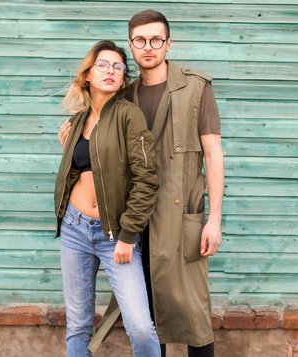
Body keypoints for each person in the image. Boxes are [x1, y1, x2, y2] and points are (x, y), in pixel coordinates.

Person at [59, 11, 224, 356]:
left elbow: (213, 152)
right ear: (131, 44)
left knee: (194, 313)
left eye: (156, 40)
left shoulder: (195, 86)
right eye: (139, 40)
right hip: (130, 220)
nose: (147, 47)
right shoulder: (123, 97)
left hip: (180, 219)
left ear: (168, 43)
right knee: (149, 312)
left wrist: (214, 220)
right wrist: (73, 141)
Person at [54, 40, 161, 357]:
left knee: (140, 326)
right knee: (78, 327)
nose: (111, 71)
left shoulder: (130, 116)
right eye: (103, 65)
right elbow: (84, 170)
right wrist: (68, 149)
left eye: (118, 66)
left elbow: (146, 180)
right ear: (88, 73)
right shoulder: (77, 121)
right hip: (74, 228)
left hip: (116, 235)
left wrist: (129, 235)